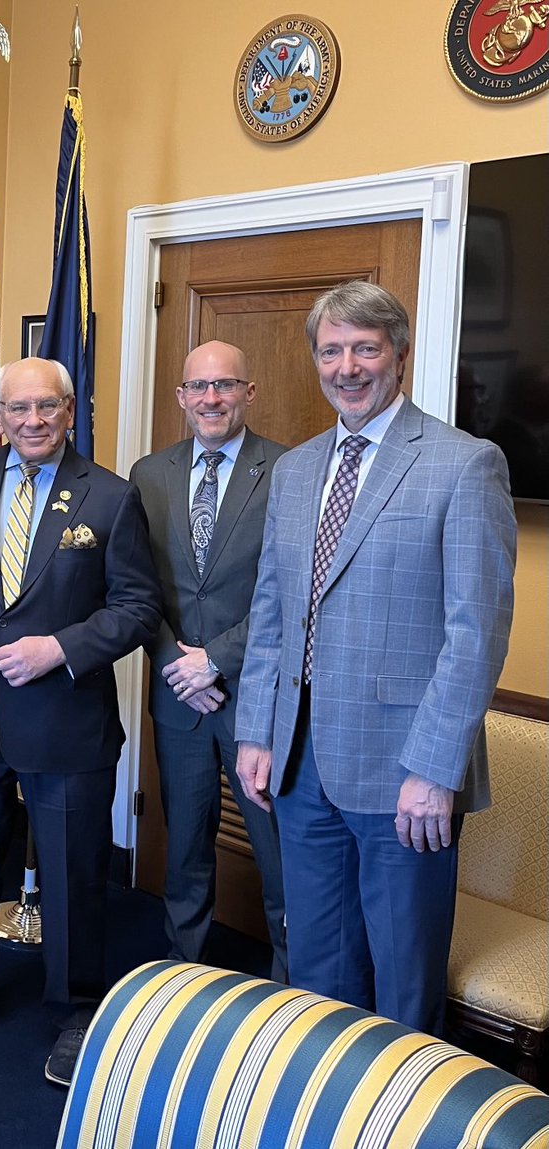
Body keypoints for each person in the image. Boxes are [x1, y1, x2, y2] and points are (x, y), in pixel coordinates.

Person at [235, 281, 517, 1036]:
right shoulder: (295, 472)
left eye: (365, 347)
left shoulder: (465, 464)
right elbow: (271, 615)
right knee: (319, 969)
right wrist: (256, 732)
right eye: (332, 350)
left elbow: (475, 632)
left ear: (398, 353)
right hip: (299, 768)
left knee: (401, 976)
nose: (347, 366)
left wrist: (435, 768)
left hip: (405, 777)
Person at [0, 357, 161, 1087]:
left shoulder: (112, 497)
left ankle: (79, 1006)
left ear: (68, 408)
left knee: (73, 873)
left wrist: (60, 646)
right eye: (17, 408)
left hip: (65, 720)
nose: (31, 420)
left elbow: (137, 608)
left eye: (45, 407)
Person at [129, 340, 287, 982]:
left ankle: (293, 984)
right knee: (185, 843)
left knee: (277, 850)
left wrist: (214, 661)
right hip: (178, 697)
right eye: (199, 387)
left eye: (225, 386)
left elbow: (291, 591)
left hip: (257, 699)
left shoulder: (288, 471)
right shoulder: (149, 474)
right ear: (181, 398)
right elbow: (136, 586)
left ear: (249, 393)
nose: (211, 398)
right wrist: (177, 664)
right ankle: (184, 975)